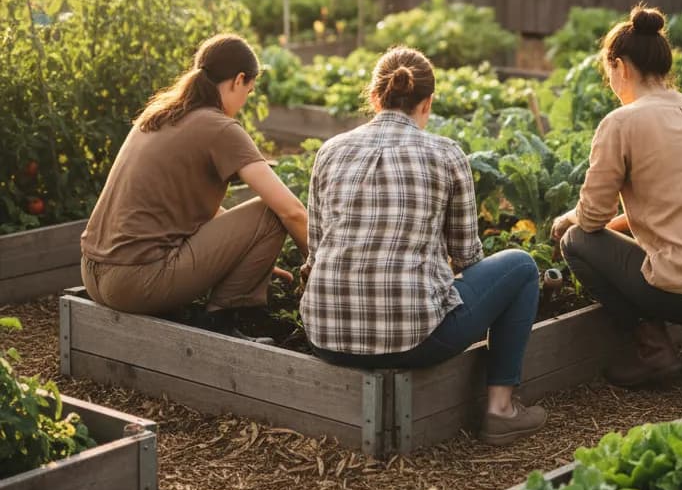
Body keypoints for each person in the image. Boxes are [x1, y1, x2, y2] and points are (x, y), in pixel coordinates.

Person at [300, 46, 545, 447]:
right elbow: (467, 256)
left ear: (375, 97)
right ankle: (501, 410)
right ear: (427, 103)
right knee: (520, 267)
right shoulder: (445, 154)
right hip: (415, 340)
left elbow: (315, 251)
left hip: (325, 337)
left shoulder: (330, 151)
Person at [550, 5, 682, 386]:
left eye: (608, 72)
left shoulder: (621, 122)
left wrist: (565, 219)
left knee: (577, 241)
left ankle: (655, 353)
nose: (610, 81)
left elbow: (592, 219)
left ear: (621, 66)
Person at [81, 34, 308, 336]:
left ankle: (235, 303)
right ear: (238, 80)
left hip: (93, 273)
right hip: (135, 283)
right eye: (249, 91)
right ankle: (229, 319)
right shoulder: (219, 127)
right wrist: (317, 265)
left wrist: (249, 260)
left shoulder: (159, 114)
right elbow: (291, 211)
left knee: (263, 218)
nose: (244, 101)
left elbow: (194, 207)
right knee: (271, 213)